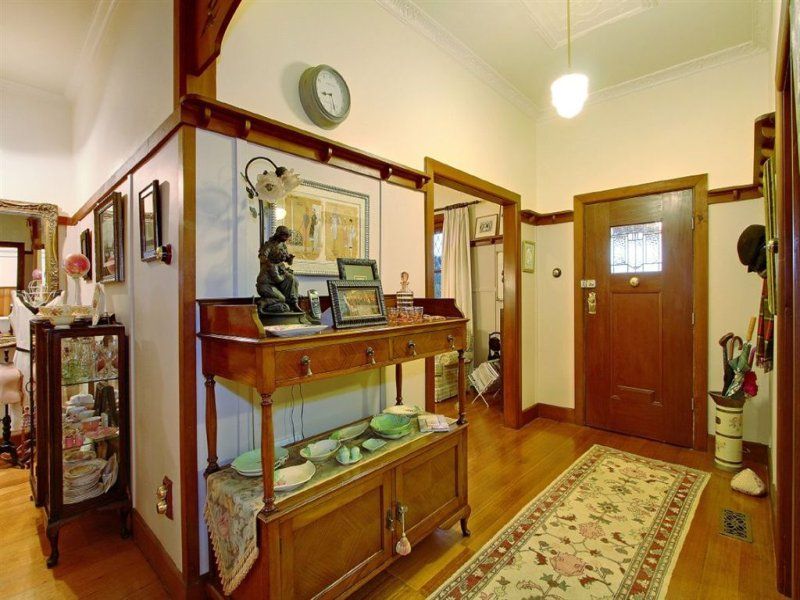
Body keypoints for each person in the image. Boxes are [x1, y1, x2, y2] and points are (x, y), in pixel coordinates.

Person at [256, 226, 302, 314]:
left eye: (287, 236)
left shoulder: (283, 245)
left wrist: (290, 258)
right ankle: (267, 303)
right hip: (271, 269)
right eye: (285, 236)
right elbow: (262, 257)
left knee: (292, 279)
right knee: (282, 292)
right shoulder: (270, 245)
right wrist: (270, 264)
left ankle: (293, 303)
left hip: (280, 269)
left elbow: (287, 260)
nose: (286, 238)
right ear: (278, 234)